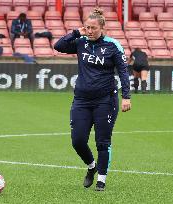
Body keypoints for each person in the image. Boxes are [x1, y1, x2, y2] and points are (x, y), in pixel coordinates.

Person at [54, 8, 131, 191]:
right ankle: (91, 166)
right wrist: (76, 32)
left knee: (102, 141)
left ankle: (101, 180)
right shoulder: (81, 43)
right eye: (87, 27)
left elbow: (123, 72)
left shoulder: (113, 46)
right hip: (81, 100)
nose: (90, 31)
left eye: (93, 28)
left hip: (106, 100)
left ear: (102, 28)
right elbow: (58, 46)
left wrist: (126, 96)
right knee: (78, 141)